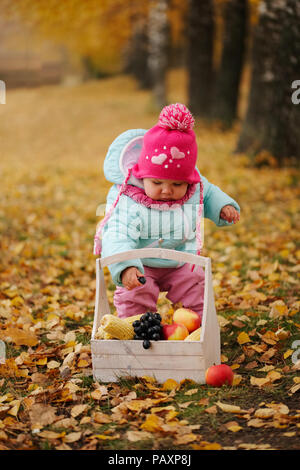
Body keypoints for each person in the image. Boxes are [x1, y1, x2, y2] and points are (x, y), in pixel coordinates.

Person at [94, 103, 240, 320]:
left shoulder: (194, 188)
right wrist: (125, 267)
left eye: (177, 185)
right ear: (143, 176)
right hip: (141, 263)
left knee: (195, 284)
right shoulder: (129, 201)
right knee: (136, 293)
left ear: (188, 181)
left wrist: (222, 207)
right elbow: (117, 233)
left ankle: (197, 327)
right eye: (157, 182)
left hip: (179, 259)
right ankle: (137, 327)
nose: (166, 191)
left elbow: (208, 193)